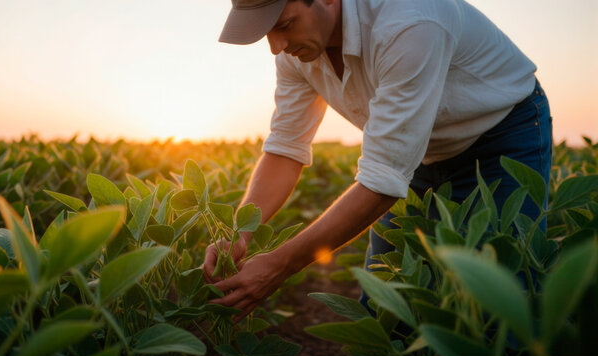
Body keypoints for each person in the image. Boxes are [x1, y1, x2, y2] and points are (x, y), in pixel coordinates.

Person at [202, 0, 552, 322]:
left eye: (285, 24)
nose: (277, 46)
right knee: (386, 304)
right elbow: (285, 147)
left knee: (496, 302)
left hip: (502, 137)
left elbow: (383, 178)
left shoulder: (410, 21)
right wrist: (241, 232)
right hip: (417, 154)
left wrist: (281, 264)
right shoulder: (295, 52)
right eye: (267, 34)